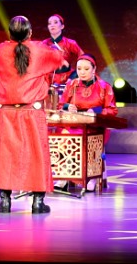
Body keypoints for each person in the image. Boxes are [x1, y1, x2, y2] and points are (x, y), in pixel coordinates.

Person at [0, 15, 67, 214]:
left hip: (6, 113)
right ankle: (38, 202)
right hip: (31, 112)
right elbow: (60, 60)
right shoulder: (40, 49)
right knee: (37, 156)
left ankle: (5, 201)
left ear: (9, 34)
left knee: (5, 157)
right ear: (30, 32)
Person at [55, 53, 118, 191]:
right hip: (74, 124)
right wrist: (68, 107)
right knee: (63, 136)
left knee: (88, 139)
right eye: (79, 69)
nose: (82, 72)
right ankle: (64, 176)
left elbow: (112, 110)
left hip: (95, 127)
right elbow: (60, 105)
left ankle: (91, 176)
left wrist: (95, 110)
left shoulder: (104, 87)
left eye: (86, 69)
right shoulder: (72, 84)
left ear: (94, 69)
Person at [43, 14, 84, 90]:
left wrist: (74, 75)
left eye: (55, 22)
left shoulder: (70, 43)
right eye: (49, 23)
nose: (52, 25)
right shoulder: (44, 44)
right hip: (47, 79)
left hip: (67, 78)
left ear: (62, 26)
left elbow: (85, 59)